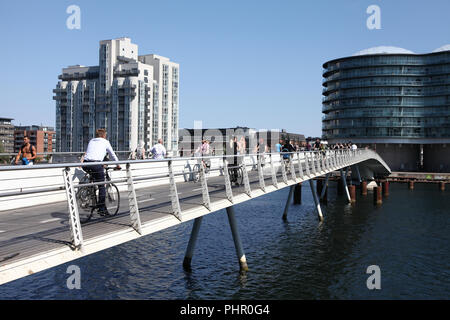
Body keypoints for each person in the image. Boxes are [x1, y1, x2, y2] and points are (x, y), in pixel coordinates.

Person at [81, 129, 121, 215]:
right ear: (103, 135)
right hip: (96, 164)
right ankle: (101, 208)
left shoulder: (91, 140)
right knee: (101, 186)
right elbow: (112, 154)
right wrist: (118, 165)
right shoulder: (105, 142)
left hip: (85, 164)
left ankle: (90, 191)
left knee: (95, 178)